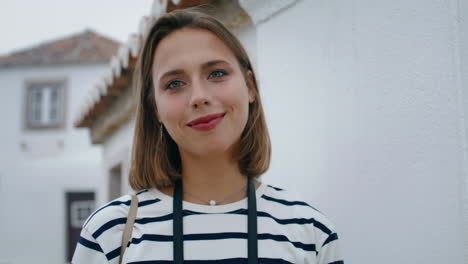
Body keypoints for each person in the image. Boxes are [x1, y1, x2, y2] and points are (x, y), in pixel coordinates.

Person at [72, 7, 344, 264]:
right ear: (155, 108)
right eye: (174, 83)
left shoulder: (311, 233)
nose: (199, 97)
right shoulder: (110, 234)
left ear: (249, 86)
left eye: (216, 73)